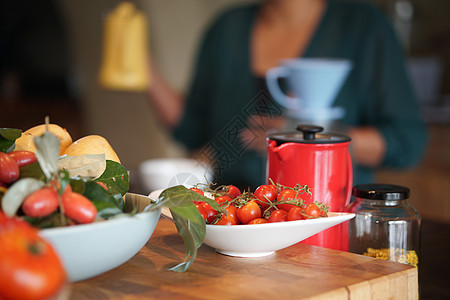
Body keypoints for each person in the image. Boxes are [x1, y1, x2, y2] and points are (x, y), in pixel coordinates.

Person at [147, 0, 428, 190]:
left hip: (324, 212)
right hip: (233, 217)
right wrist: (143, 68)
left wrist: (305, 136)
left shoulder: (364, 28)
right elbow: (192, 130)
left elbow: (406, 143)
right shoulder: (225, 29)